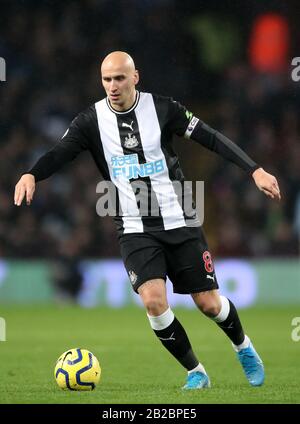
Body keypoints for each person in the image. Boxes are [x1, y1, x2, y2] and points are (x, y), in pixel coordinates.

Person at [14, 51, 281, 390]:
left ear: (135, 77)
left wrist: (254, 169)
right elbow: (58, 153)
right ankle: (195, 371)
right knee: (154, 302)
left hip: (179, 216)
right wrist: (32, 175)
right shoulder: (90, 121)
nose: (113, 86)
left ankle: (243, 346)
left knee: (209, 304)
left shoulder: (163, 108)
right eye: (107, 79)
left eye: (120, 78)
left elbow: (209, 137)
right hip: (134, 226)